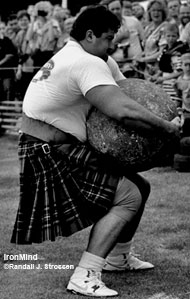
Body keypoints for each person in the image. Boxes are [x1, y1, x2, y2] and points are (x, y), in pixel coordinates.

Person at [11, 5, 181, 297]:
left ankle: (118, 258)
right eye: (108, 38)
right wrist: (167, 127)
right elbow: (123, 110)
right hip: (47, 147)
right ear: (89, 35)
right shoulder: (83, 61)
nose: (113, 44)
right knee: (128, 194)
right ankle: (84, 274)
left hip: (57, 142)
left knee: (140, 185)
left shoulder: (89, 55)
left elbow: (127, 90)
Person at [174, 52, 190, 136]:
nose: (188, 68)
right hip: (186, 112)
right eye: (186, 65)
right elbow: (179, 97)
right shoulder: (179, 80)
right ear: (182, 66)